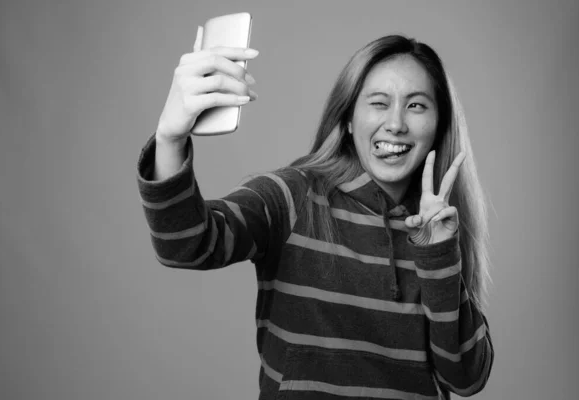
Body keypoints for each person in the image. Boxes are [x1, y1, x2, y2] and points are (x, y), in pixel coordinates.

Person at [136, 31, 494, 400]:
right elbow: (186, 244)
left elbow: (466, 378)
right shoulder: (293, 196)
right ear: (349, 118)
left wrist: (438, 257)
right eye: (378, 103)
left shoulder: (440, 228)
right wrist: (170, 138)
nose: (396, 123)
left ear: (438, 126)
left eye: (416, 106)